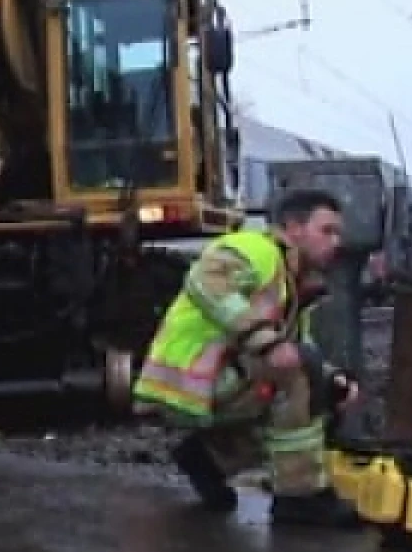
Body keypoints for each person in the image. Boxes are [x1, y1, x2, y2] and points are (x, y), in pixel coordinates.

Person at [133, 188, 363, 528]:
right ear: (293, 228)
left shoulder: (290, 282)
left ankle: (208, 460)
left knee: (320, 387)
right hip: (187, 382)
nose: (336, 242)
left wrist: (334, 380)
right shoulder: (256, 249)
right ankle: (299, 498)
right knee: (298, 378)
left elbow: (298, 347)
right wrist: (264, 341)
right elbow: (205, 281)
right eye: (327, 230)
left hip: (212, 382)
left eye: (338, 233)